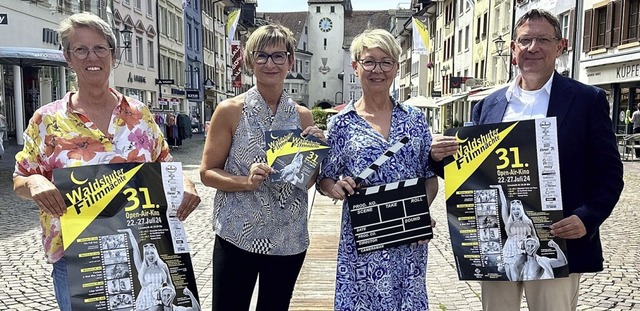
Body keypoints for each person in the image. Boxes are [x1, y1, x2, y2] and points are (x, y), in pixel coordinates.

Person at [429, 9, 624, 311]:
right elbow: (472, 172)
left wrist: (587, 217)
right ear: (513, 50)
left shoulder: (588, 100)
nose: (533, 48)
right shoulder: (488, 105)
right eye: (525, 40)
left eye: (543, 40)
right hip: (496, 242)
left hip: (557, 239)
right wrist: (440, 158)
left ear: (561, 46)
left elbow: (610, 173)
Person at [11, 12, 201, 311]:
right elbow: (21, 178)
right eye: (81, 49)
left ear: (113, 55)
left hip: (141, 246)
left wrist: (186, 183)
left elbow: (165, 164)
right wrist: (34, 181)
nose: (92, 57)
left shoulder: (139, 115)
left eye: (100, 48)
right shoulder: (46, 120)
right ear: (68, 58)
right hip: (77, 258)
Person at [199, 24, 325, 311]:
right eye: (262, 56)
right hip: (238, 233)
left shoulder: (302, 116)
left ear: (290, 61)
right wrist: (245, 181)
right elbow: (207, 172)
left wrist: (315, 154)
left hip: (288, 237)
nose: (270, 63)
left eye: (279, 56)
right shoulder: (230, 110)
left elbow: (305, 183)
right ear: (249, 61)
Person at [317, 29, 438, 310]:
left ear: (396, 68)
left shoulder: (415, 119)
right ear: (355, 66)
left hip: (409, 240)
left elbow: (429, 179)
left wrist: (422, 213)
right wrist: (333, 186)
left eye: (386, 62)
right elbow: (326, 177)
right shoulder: (340, 124)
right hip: (362, 240)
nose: (377, 70)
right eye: (369, 61)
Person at [120, 229, 173, 311]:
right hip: (143, 299)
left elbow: (170, 284)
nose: (150, 256)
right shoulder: (142, 268)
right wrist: (130, 233)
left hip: (157, 299)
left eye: (152, 253)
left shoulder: (163, 266)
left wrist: (172, 294)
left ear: (155, 254)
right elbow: (136, 249)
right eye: (147, 254)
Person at [493, 184, 537, 281]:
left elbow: (534, 237)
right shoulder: (508, 221)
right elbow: (504, 204)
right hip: (508, 249)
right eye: (513, 209)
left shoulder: (527, 221)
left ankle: (515, 284)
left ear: (521, 209)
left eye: (518, 209)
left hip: (522, 248)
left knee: (512, 266)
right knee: (506, 268)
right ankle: (514, 288)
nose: (515, 211)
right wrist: (500, 189)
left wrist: (535, 248)